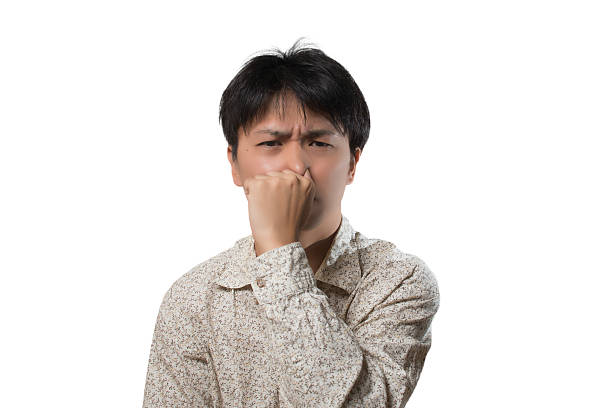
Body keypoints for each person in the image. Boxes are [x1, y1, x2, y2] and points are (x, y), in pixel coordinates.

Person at [142, 37, 440, 407]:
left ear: (352, 164)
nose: (297, 166)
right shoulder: (195, 298)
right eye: (271, 144)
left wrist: (279, 252)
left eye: (318, 143)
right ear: (234, 164)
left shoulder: (397, 280)